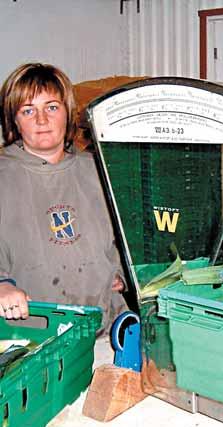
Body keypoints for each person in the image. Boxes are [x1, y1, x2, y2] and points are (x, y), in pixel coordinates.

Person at [0, 63, 127, 331]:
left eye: (52, 107)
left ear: (68, 113)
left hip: (108, 330)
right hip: (34, 340)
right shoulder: (4, 174)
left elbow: (130, 240)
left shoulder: (100, 168)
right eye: (28, 110)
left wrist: (126, 275)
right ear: (14, 120)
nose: (42, 120)